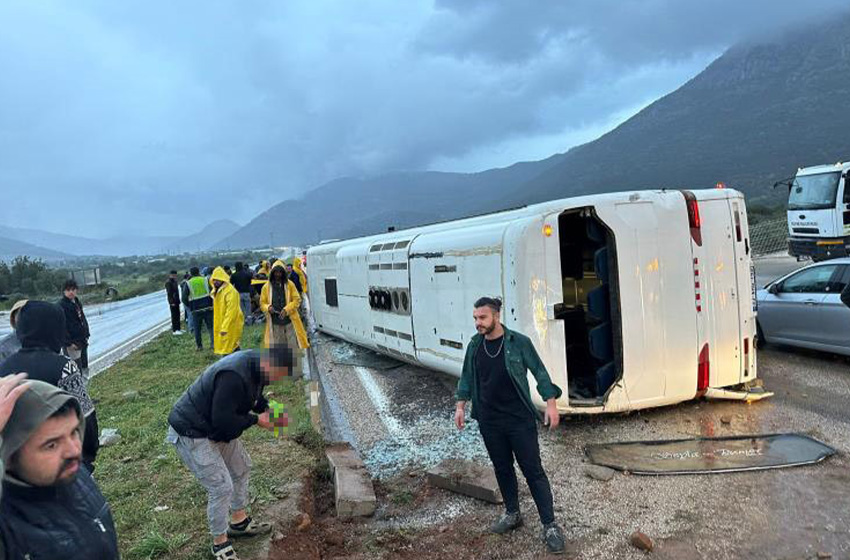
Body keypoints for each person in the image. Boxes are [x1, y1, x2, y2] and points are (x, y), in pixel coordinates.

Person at [454, 297, 566, 555]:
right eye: (475, 318)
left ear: (496, 316)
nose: (477, 323)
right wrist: (461, 406)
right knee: (502, 468)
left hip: (519, 420)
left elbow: (539, 371)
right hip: (490, 421)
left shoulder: (518, 343)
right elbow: (467, 377)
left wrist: (551, 403)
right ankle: (513, 513)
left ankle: (550, 525)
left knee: (533, 471)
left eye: (482, 318)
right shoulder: (475, 345)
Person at [166, 347, 293, 560]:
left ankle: (239, 521)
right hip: (193, 430)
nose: (278, 381)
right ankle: (219, 543)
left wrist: (273, 411)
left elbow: (255, 397)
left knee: (241, 467)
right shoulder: (233, 376)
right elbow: (223, 420)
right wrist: (257, 421)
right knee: (221, 486)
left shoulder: (258, 367)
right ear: (269, 365)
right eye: (279, 375)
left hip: (215, 425)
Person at [0, 375, 120, 559]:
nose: (74, 451)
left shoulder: (72, 472)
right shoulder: (7, 524)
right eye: (51, 445)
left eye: (73, 432)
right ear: (9, 456)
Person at [0, 301, 100, 470]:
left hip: (17, 468)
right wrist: (89, 454)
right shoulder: (63, 367)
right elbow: (85, 417)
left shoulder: (4, 369)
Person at [260, 261, 309, 373]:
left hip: (290, 322)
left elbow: (297, 300)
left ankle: (295, 372)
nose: (278, 275)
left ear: (283, 273)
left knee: (292, 346)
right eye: (275, 272)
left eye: (280, 272)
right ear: (272, 273)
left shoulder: (290, 285)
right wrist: (268, 307)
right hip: (275, 323)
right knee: (279, 347)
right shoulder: (266, 288)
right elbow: (262, 303)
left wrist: (286, 310)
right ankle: (282, 370)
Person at [58, 279, 90, 379]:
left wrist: (86, 333)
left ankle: (85, 387)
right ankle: (77, 390)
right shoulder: (61, 306)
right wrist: (68, 343)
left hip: (82, 339)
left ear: (76, 290)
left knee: (84, 365)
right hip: (71, 342)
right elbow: (61, 326)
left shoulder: (76, 302)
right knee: (75, 368)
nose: (71, 292)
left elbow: (82, 319)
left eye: (73, 289)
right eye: (68, 290)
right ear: (64, 291)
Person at [211, 267, 244, 355]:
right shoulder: (218, 291)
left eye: (217, 279)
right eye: (214, 280)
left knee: (229, 347)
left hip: (231, 324)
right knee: (230, 346)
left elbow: (231, 311)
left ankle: (230, 365)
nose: (215, 282)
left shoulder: (230, 292)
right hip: (223, 323)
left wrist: (225, 327)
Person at [186, 267, 215, 351]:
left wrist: (190, 305)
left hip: (196, 309)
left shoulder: (188, 283)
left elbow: (184, 297)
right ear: (199, 272)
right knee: (210, 327)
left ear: (190, 274)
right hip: (208, 307)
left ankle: (199, 346)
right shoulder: (205, 280)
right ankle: (213, 344)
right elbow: (212, 291)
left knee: (197, 329)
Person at [165, 270, 184, 335]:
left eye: (175, 275)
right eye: (173, 275)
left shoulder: (175, 282)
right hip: (173, 302)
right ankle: (174, 330)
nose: (174, 276)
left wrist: (178, 300)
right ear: (170, 275)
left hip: (177, 300)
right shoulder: (168, 282)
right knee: (174, 316)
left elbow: (177, 292)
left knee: (178, 315)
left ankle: (178, 328)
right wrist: (171, 302)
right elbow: (169, 293)